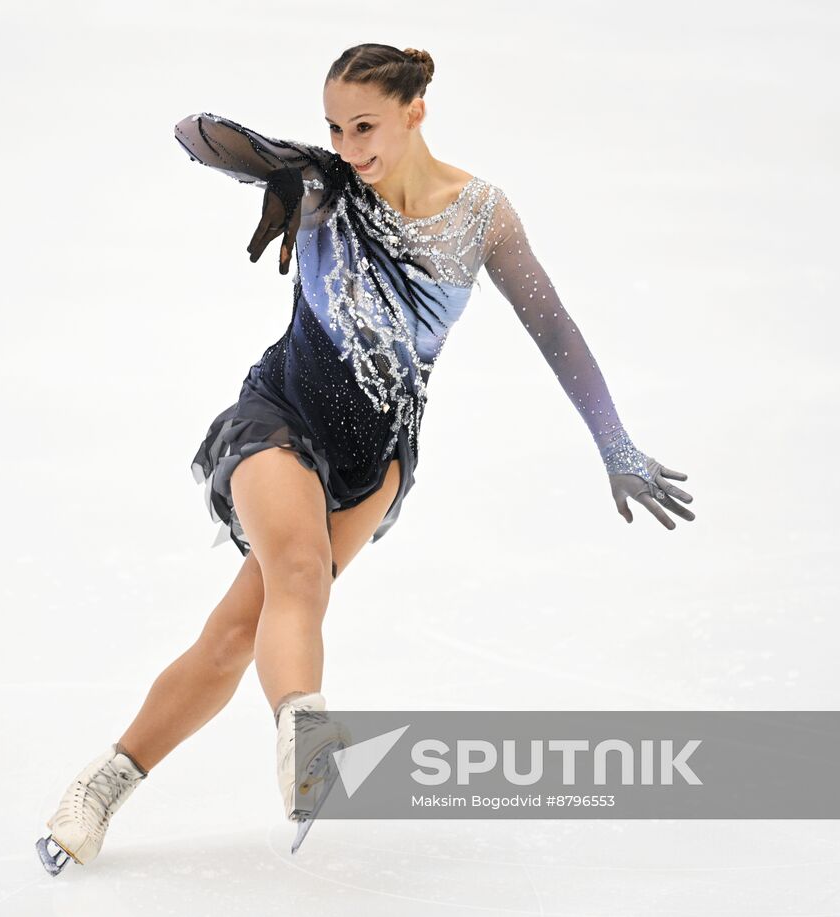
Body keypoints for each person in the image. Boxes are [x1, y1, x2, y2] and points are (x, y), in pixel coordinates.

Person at [36, 43, 695, 874]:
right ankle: (307, 743)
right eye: (335, 128)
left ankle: (101, 783)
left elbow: (555, 328)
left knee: (237, 630)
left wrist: (616, 444)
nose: (351, 146)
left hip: (374, 457)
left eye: (366, 126)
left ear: (416, 110)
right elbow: (200, 136)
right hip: (280, 415)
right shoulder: (325, 185)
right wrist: (281, 168)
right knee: (300, 575)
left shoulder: (483, 215)